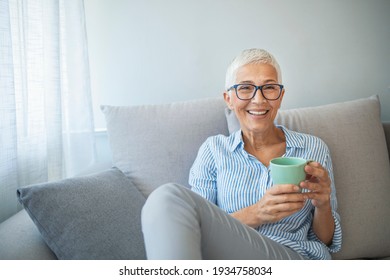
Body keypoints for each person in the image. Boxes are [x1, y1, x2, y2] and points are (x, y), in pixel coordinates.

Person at [141, 48, 342, 260]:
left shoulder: (313, 149)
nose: (258, 99)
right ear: (229, 99)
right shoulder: (214, 151)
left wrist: (323, 204)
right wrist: (257, 213)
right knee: (165, 198)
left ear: (280, 96)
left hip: (293, 258)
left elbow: (326, 240)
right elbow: (198, 228)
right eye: (245, 88)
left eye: (269, 88)